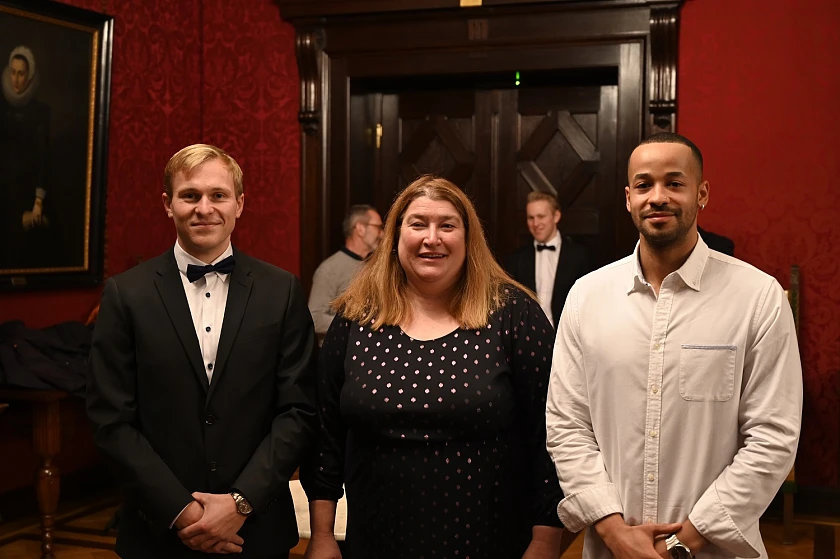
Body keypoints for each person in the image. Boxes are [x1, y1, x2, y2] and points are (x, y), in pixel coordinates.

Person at [545, 133, 802, 559]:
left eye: (675, 183)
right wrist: (614, 531)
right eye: (644, 185)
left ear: (702, 194)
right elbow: (566, 424)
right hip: (612, 549)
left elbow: (772, 436)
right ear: (628, 198)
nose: (658, 197)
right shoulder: (586, 297)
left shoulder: (758, 298)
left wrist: (683, 544)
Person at [301, 176, 570, 558]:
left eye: (447, 225)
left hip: (490, 545)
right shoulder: (356, 318)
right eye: (418, 224)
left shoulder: (514, 315)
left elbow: (550, 436)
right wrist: (322, 534)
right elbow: (325, 434)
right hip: (375, 543)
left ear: (468, 238)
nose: (432, 238)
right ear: (395, 236)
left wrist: (545, 541)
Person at [86, 144, 317, 558]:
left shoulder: (281, 290)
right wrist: (182, 511)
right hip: (158, 533)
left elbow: (298, 410)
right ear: (168, 204)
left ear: (239, 204)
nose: (204, 208)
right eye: (190, 195)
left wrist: (240, 502)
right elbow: (110, 419)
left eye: (218, 195)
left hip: (257, 530)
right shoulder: (125, 294)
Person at [505, 192, 590, 329]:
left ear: (556, 216)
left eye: (541, 216)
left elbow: (587, 302)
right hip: (528, 336)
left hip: (568, 334)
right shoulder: (517, 259)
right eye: (531, 218)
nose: (535, 223)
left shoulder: (580, 256)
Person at [0, 46, 51, 269]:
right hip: (3, 191)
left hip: (25, 193)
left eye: (21, 74)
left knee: (20, 250)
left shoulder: (39, 111)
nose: (16, 79)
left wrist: (37, 202)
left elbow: (43, 156)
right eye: (13, 72)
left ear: (29, 76)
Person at [308, 204, 383, 335]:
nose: (382, 234)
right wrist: (357, 325)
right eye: (378, 227)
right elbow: (315, 319)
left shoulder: (375, 266)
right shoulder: (329, 269)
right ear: (360, 229)